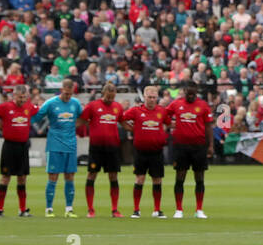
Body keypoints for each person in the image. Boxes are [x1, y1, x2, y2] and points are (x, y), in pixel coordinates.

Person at [31, 79, 84, 217]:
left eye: (70, 93)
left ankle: (69, 209)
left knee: (70, 176)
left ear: (73, 91)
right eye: (65, 93)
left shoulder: (76, 103)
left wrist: (73, 126)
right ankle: (49, 209)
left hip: (71, 145)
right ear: (62, 89)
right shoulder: (51, 103)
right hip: (54, 144)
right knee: (53, 176)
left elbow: (83, 118)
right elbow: (36, 117)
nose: (67, 96)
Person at [166, 81, 214, 218]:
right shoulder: (176, 104)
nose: (191, 96)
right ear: (184, 91)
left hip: (199, 147)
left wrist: (210, 145)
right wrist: (170, 124)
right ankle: (179, 209)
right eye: (189, 94)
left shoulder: (203, 105)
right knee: (180, 177)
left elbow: (209, 126)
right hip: (181, 146)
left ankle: (199, 209)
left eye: (194, 94)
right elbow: (164, 115)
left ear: (196, 92)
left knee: (199, 178)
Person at [123, 85, 168, 218]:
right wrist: (133, 129)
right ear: (144, 97)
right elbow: (122, 119)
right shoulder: (136, 111)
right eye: (149, 97)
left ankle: (157, 209)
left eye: (154, 97)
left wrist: (160, 135)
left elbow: (168, 123)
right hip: (140, 151)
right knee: (140, 178)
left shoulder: (162, 111)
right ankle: (136, 209)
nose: (152, 100)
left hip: (156, 151)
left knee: (157, 179)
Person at [80, 82, 125, 217]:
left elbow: (123, 122)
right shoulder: (93, 106)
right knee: (92, 174)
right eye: (108, 97)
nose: (110, 99)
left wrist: (137, 130)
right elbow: (82, 120)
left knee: (113, 176)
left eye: (113, 97)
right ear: (103, 94)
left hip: (113, 147)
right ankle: (90, 209)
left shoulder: (118, 107)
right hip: (96, 148)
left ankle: (114, 209)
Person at [0, 84, 37, 217]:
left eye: (24, 97)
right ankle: (0, 209)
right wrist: (1, 127)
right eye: (19, 97)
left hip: (23, 146)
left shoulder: (29, 107)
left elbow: (40, 111)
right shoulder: (5, 107)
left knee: (22, 178)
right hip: (9, 146)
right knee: (6, 177)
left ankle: (22, 209)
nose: (22, 100)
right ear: (14, 96)